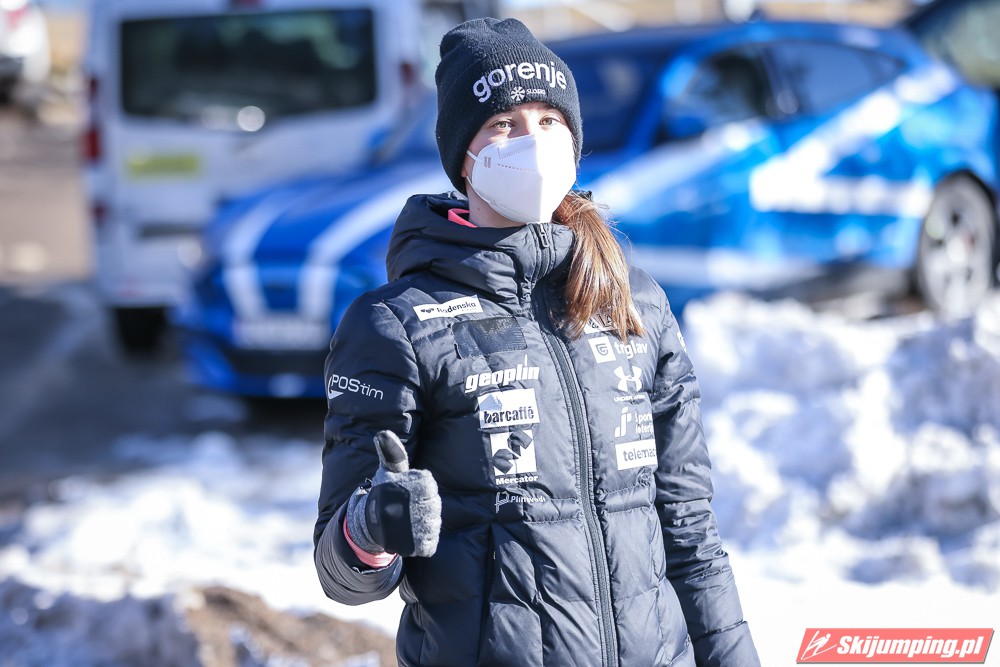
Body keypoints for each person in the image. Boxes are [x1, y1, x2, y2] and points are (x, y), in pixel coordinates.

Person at [313, 17, 761, 667]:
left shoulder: (632, 304)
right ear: (464, 158)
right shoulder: (396, 325)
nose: (533, 141)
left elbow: (691, 535)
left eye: (550, 120)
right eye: (504, 124)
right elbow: (341, 573)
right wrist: (371, 528)